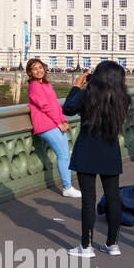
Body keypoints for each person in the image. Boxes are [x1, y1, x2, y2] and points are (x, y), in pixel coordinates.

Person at [61, 61, 131, 258]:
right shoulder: (122, 98)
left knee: (88, 200)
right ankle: (113, 244)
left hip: (87, 150)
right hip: (110, 150)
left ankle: (86, 246)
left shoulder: (87, 95)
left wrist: (76, 86)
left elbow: (67, 109)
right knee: (113, 198)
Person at [26, 58, 80, 198]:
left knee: (64, 154)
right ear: (30, 72)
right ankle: (67, 187)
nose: (39, 70)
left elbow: (55, 104)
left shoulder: (45, 84)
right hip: (45, 124)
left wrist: (63, 119)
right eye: (35, 68)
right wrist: (58, 122)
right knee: (63, 155)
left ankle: (68, 186)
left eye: (40, 67)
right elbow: (45, 106)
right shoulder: (34, 86)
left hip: (53, 122)